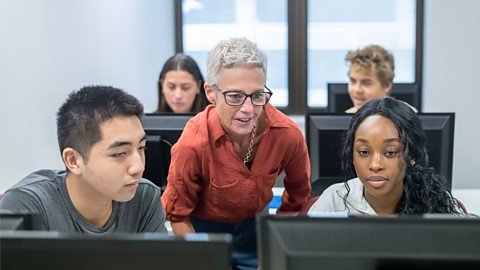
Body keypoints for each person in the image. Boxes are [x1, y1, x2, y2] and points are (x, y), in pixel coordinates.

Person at [161, 37, 311, 269]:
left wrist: (276, 247)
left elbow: (298, 199)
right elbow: (178, 215)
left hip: (258, 228)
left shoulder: (287, 135)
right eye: (235, 96)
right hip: (204, 232)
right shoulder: (193, 144)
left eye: (257, 95)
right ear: (211, 93)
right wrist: (202, 257)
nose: (248, 109)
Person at [0, 86, 167, 233]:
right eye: (120, 153)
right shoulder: (28, 205)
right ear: (73, 160)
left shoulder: (145, 197)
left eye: (141, 148)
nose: (138, 167)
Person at [309, 97, 462, 215]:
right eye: (364, 152)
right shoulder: (334, 201)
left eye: (390, 152)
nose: (375, 165)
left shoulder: (435, 203)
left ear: (412, 155)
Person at [345, 44, 417, 113]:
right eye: (353, 81)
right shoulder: (346, 116)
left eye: (366, 83)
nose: (357, 90)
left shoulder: (408, 116)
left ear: (387, 85)